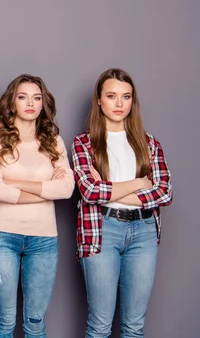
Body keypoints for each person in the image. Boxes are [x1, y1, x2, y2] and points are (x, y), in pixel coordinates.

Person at [72, 68, 173, 337]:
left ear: (132, 100)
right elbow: (90, 192)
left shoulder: (149, 144)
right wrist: (141, 183)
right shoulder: (84, 143)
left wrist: (111, 190)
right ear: (99, 100)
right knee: (100, 324)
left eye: (126, 97)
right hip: (101, 231)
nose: (119, 104)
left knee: (134, 326)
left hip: (144, 233)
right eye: (112, 96)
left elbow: (164, 193)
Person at [0, 74, 74, 338]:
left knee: (35, 324)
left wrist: (16, 183)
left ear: (44, 103)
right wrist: (47, 190)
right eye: (23, 97)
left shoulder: (53, 142)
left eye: (37, 97)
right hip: (3, 237)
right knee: (5, 322)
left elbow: (67, 189)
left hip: (44, 240)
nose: (30, 103)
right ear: (12, 103)